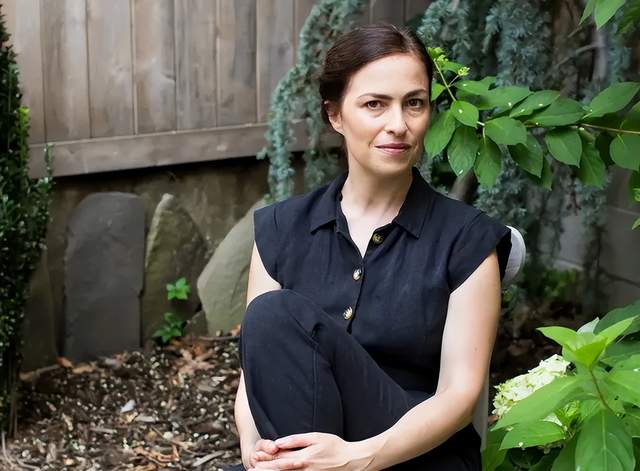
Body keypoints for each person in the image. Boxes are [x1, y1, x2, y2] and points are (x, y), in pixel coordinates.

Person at [231, 23, 512, 471]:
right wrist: (253, 446)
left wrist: (354, 459)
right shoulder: (281, 229)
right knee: (269, 317)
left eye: (414, 103)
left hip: (418, 456)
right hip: (306, 452)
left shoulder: (466, 238)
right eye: (375, 104)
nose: (398, 125)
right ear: (335, 116)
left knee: (272, 312)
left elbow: (460, 396)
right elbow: (255, 374)